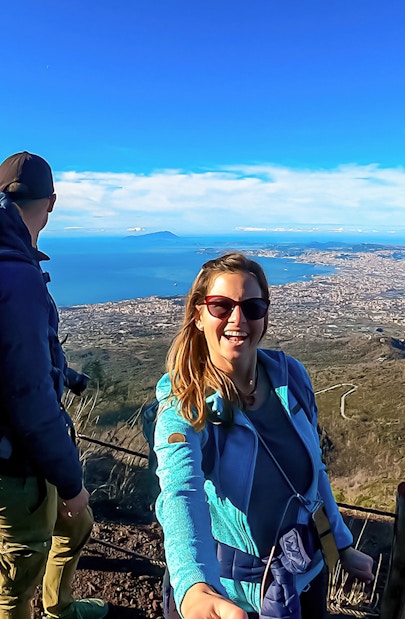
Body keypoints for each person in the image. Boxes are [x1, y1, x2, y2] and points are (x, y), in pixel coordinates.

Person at [153, 252, 373, 619]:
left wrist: (340, 546)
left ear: (265, 315)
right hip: (229, 598)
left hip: (302, 578)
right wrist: (194, 587)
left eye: (252, 307)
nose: (237, 319)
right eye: (221, 306)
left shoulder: (291, 377)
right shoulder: (185, 405)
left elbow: (313, 475)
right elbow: (180, 492)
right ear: (198, 314)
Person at [0, 152, 108, 619]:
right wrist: (69, 482)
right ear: (52, 203)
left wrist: (60, 373)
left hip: (17, 450)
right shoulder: (16, 275)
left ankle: (60, 607)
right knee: (17, 579)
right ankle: (42, 607)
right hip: (17, 461)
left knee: (75, 526)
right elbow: (29, 399)